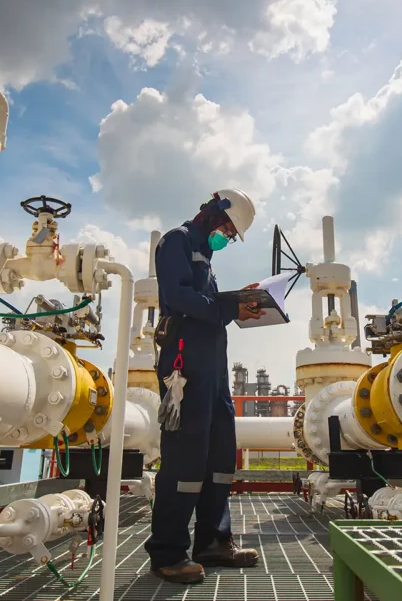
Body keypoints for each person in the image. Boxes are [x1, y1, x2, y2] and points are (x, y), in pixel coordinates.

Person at [144, 189, 265, 584]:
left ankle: (213, 541)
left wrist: (239, 302)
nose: (226, 239)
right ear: (214, 213)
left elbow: (208, 306)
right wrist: (229, 307)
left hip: (212, 370)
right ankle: (167, 551)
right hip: (185, 365)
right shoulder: (176, 241)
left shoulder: (206, 259)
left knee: (218, 457)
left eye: (231, 236)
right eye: (227, 230)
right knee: (184, 459)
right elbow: (178, 298)